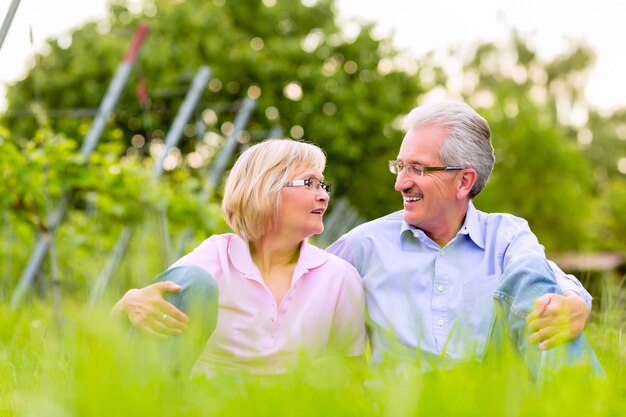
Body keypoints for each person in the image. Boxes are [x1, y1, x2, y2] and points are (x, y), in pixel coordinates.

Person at [326, 101, 602, 377]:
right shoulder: (365, 244)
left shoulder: (506, 235)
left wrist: (573, 300)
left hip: (490, 398)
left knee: (547, 302)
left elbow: (536, 274)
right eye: (400, 166)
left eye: (417, 169)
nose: (400, 183)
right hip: (399, 405)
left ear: (464, 181)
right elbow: (305, 283)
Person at [112, 139, 366, 378]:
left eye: (323, 185)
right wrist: (127, 304)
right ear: (267, 188)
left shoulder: (339, 276)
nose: (323, 195)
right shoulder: (214, 258)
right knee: (191, 280)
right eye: (309, 183)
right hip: (206, 407)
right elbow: (139, 316)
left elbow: (352, 376)